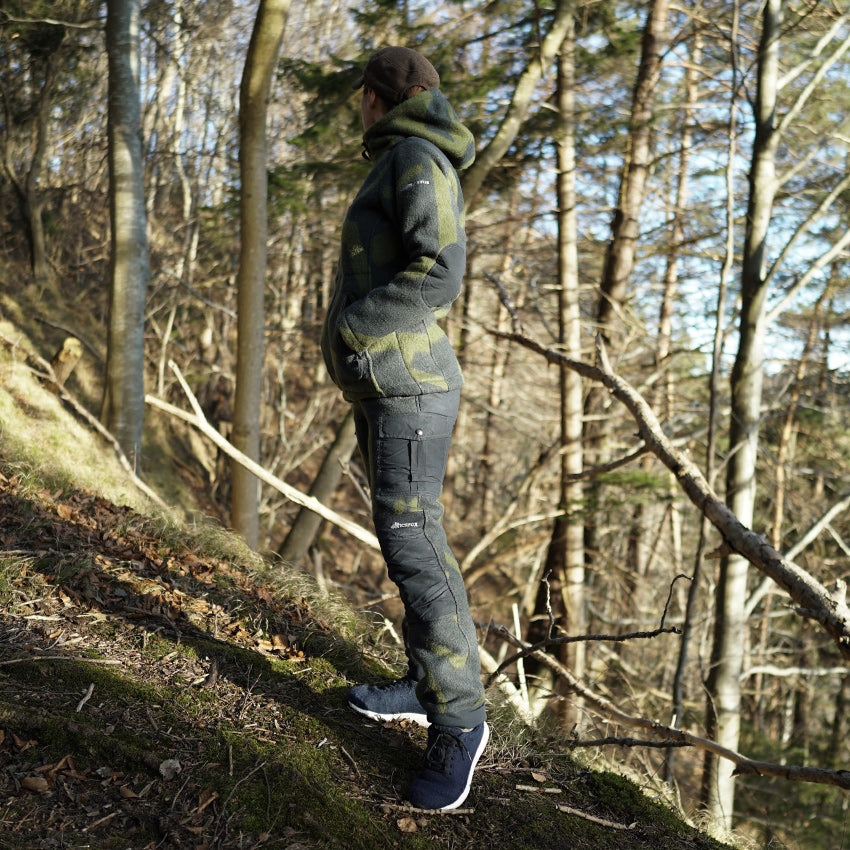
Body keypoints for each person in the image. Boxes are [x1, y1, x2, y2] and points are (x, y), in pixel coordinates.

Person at [320, 46, 488, 811]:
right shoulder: (403, 157)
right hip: (388, 386)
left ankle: (460, 719)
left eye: (361, 95)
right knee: (405, 543)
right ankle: (426, 686)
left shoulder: (417, 157)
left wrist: (358, 328)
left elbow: (440, 271)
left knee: (417, 547)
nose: (359, 106)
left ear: (375, 98)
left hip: (410, 386)